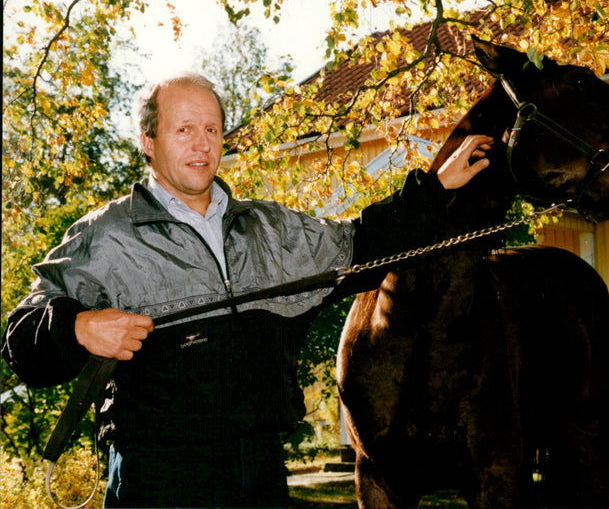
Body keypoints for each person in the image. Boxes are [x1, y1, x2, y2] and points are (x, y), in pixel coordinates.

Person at [2, 73, 493, 508]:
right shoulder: (106, 235)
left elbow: (362, 245)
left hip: (259, 473)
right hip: (159, 479)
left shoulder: (268, 227)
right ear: (148, 141)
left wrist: (436, 187)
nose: (202, 144)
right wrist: (78, 327)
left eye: (212, 130)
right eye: (184, 129)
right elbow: (21, 336)